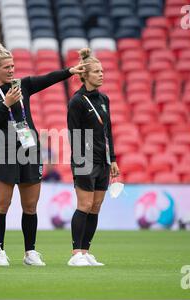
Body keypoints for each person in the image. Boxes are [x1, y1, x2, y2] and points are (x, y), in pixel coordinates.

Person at [0, 43, 87, 266]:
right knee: (2, 205)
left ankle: (30, 252)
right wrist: (5, 105)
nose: (11, 70)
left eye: (13, 66)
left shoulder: (21, 85)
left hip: (29, 149)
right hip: (5, 151)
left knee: (30, 206)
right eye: (6, 67)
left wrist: (69, 72)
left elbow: (45, 79)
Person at [67, 48, 120, 267]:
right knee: (84, 204)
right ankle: (75, 253)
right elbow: (73, 134)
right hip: (84, 160)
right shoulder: (77, 101)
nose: (101, 74)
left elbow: (108, 131)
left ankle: (86, 251)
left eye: (102, 71)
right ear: (85, 75)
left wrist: (113, 159)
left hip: (103, 160)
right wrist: (81, 162)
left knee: (96, 206)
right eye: (97, 71)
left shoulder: (104, 99)